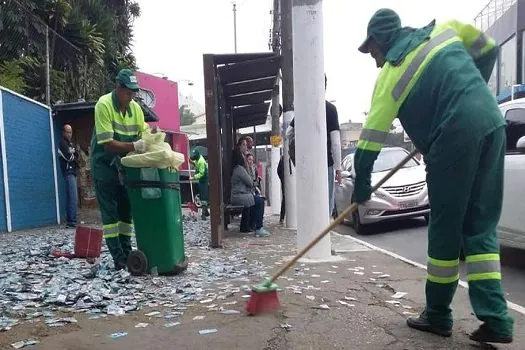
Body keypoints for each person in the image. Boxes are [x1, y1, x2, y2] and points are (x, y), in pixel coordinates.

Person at [355, 8, 513, 343]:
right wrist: (472, 93)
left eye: (374, 53)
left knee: (445, 229)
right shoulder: (445, 29)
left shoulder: (390, 77)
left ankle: (438, 314)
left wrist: (362, 187)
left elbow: (368, 143)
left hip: (452, 138)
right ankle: (497, 319)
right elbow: (489, 49)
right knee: (480, 226)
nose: (376, 62)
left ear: (382, 43)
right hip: (491, 122)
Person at [90, 68, 154, 270]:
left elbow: (144, 133)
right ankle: (118, 257)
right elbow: (107, 143)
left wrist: (151, 139)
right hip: (104, 166)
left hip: (124, 167)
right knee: (110, 215)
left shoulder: (135, 109)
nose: (131, 96)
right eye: (128, 92)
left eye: (134, 93)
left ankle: (128, 253)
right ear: (118, 88)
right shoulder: (104, 105)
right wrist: (135, 146)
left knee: (126, 211)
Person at [290, 74, 342, 218]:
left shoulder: (302, 109)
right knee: (326, 205)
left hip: (306, 165)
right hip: (326, 164)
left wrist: (297, 156)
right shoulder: (330, 109)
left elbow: (289, 133)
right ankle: (324, 235)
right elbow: (336, 143)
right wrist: (338, 168)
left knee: (309, 204)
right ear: (325, 86)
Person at [230, 148, 270, 237]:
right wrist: (249, 169)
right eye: (244, 157)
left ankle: (253, 225)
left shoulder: (240, 169)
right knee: (259, 202)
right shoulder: (240, 169)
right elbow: (250, 182)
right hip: (239, 196)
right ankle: (259, 227)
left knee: (257, 200)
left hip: (242, 194)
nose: (247, 160)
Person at [58, 124, 79, 228]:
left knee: (73, 197)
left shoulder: (70, 143)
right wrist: (73, 153)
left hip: (73, 172)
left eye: (70, 132)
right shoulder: (62, 143)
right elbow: (69, 157)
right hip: (68, 172)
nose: (69, 134)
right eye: (67, 132)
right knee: (72, 197)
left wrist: (74, 153)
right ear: (63, 132)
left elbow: (77, 155)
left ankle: (72, 220)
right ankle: (71, 221)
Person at [190, 149, 209, 219]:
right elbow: (196, 163)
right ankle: (206, 212)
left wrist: (193, 177)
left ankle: (203, 215)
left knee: (203, 197)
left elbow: (202, 173)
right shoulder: (198, 159)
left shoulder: (201, 161)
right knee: (202, 195)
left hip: (204, 180)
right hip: (201, 180)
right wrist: (192, 162)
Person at [277, 155, 285, 225]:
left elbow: (278, 171)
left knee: (285, 199)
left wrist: (282, 179)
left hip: (284, 181)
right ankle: (282, 218)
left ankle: (282, 218)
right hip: (286, 181)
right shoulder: (283, 158)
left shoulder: (282, 157)